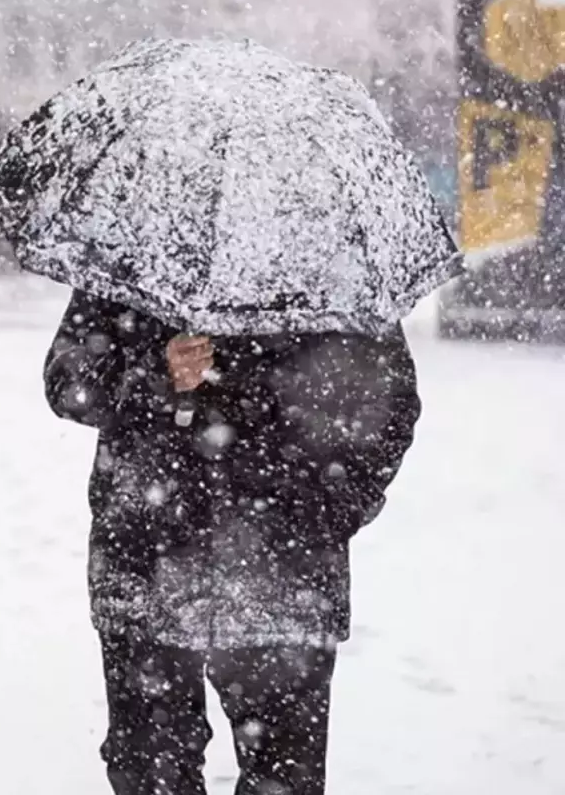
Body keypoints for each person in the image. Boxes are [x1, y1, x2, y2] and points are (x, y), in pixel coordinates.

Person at [44, 290, 420, 795]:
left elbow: (390, 402)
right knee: (150, 772)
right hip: (147, 563)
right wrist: (156, 372)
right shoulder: (140, 247)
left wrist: (329, 510)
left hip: (284, 576)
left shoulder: (327, 259)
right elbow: (68, 382)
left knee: (284, 778)